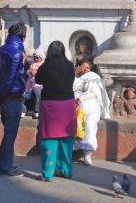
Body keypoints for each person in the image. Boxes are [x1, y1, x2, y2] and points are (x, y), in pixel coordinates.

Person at [35, 41, 77, 181]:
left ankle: (48, 173)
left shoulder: (45, 67)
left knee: (49, 137)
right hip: (67, 105)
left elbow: (38, 80)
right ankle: (66, 170)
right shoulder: (70, 66)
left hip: (50, 105)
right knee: (67, 138)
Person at [0, 23, 27, 177]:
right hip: (12, 96)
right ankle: (6, 166)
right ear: (23, 37)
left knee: (8, 132)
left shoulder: (1, 50)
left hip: (4, 96)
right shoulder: (17, 53)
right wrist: (2, 94)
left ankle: (1, 163)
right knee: (10, 133)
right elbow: (11, 78)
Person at [73, 58, 110, 166]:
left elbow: (93, 92)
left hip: (91, 104)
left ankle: (87, 153)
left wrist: (81, 99)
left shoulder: (93, 76)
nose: (85, 70)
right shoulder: (76, 78)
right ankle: (70, 150)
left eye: (87, 67)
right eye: (83, 67)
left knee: (89, 123)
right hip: (75, 104)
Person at [24, 47, 45, 119]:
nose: (36, 59)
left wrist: (37, 73)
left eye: (37, 58)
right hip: (30, 83)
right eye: (35, 58)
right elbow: (27, 72)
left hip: (39, 84)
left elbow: (43, 75)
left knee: (37, 92)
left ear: (41, 58)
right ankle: (25, 109)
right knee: (26, 95)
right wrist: (30, 72)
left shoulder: (43, 65)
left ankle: (37, 111)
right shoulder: (32, 63)